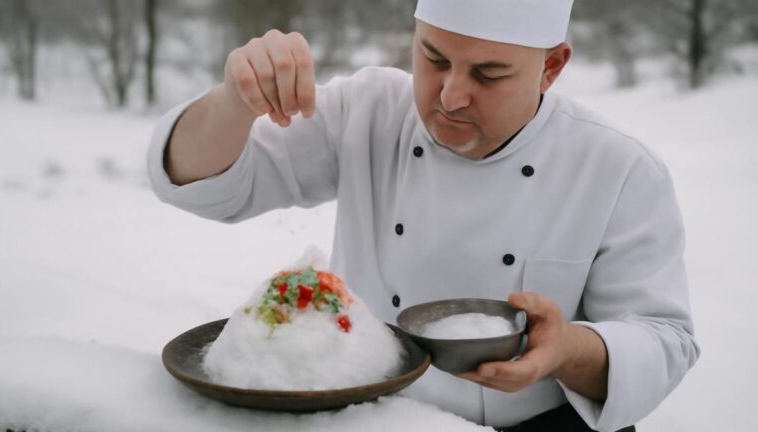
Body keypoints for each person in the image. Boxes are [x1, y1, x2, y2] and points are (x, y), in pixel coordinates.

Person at [147, 0, 700, 430]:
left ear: (551, 66)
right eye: (434, 59)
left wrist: (568, 350)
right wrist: (234, 101)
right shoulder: (367, 111)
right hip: (372, 419)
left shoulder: (617, 166)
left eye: (488, 74)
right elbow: (205, 186)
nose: (451, 96)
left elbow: (664, 339)